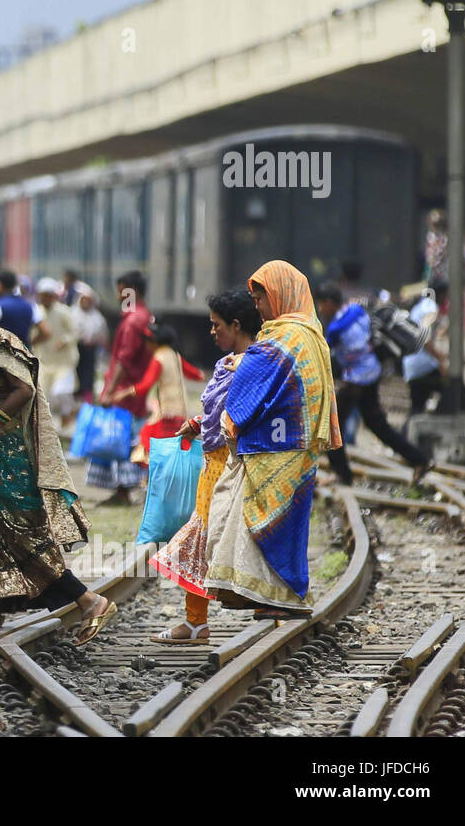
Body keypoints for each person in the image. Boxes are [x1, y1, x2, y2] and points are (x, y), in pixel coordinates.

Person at [0, 282, 117, 643]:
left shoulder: (3, 344)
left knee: (24, 540)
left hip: (14, 462)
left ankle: (90, 601)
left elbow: (24, 390)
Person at [204, 261, 342, 619]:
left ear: (280, 293)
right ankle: (275, 594)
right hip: (296, 443)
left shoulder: (285, 337)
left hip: (277, 444)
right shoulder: (309, 333)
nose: (258, 307)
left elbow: (253, 384)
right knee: (284, 523)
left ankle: (282, 595)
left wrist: (235, 402)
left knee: (266, 522)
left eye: (260, 298)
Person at [149, 289, 261, 643]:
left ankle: (266, 611)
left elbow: (249, 411)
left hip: (235, 465)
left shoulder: (257, 364)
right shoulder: (227, 362)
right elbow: (220, 408)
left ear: (236, 325)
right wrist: (199, 422)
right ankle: (196, 621)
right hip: (212, 463)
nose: (211, 332)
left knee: (221, 539)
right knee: (202, 539)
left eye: (216, 326)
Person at [316, 281, 432, 486]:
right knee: (377, 425)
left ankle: (342, 474)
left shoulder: (338, 327)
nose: (320, 309)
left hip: (359, 380)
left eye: (321, 304)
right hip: (370, 374)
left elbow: (348, 353)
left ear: (330, 303)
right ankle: (420, 460)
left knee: (331, 425)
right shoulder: (355, 310)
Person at [88, 270, 153, 506]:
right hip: (135, 392)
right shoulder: (144, 317)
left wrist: (109, 392)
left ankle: (124, 491)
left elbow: (124, 360)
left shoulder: (133, 321)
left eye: (120, 290)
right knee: (129, 440)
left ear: (131, 292)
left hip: (125, 393)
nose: (117, 296)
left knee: (122, 441)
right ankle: (123, 489)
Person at [106, 323, 203, 463]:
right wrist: (201, 375)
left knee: (148, 438)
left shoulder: (159, 358)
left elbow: (146, 385)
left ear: (153, 342)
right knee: (175, 448)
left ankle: (149, 476)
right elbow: (193, 373)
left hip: (167, 412)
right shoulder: (174, 354)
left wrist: (124, 393)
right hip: (181, 412)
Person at [403, 280, 465, 420]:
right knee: (455, 388)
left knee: (417, 408)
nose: (447, 299)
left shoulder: (419, 307)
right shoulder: (431, 308)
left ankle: (406, 437)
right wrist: (442, 361)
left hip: (411, 365)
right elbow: (425, 341)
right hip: (423, 366)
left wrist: (445, 357)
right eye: (446, 295)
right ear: (440, 294)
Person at [31, 277, 79, 416]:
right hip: (44, 361)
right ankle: (49, 429)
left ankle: (68, 415)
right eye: (43, 295)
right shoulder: (37, 312)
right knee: (43, 397)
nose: (45, 298)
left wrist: (64, 340)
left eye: (48, 295)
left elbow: (74, 332)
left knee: (61, 391)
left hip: (63, 361)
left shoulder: (63, 312)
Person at [72, 283, 107, 404]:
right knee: (77, 374)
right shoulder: (73, 314)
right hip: (76, 349)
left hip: (91, 350)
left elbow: (103, 334)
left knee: (90, 375)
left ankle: (87, 400)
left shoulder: (97, 317)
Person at [0, 270, 34, 344]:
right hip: (24, 352)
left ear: (0, 285)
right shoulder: (30, 305)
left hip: (3, 352)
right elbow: (45, 331)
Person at [424, 209, 447, 285]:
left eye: (437, 223)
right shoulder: (430, 236)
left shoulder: (445, 237)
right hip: (431, 273)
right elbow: (429, 257)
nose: (434, 226)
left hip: (443, 274)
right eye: (432, 223)